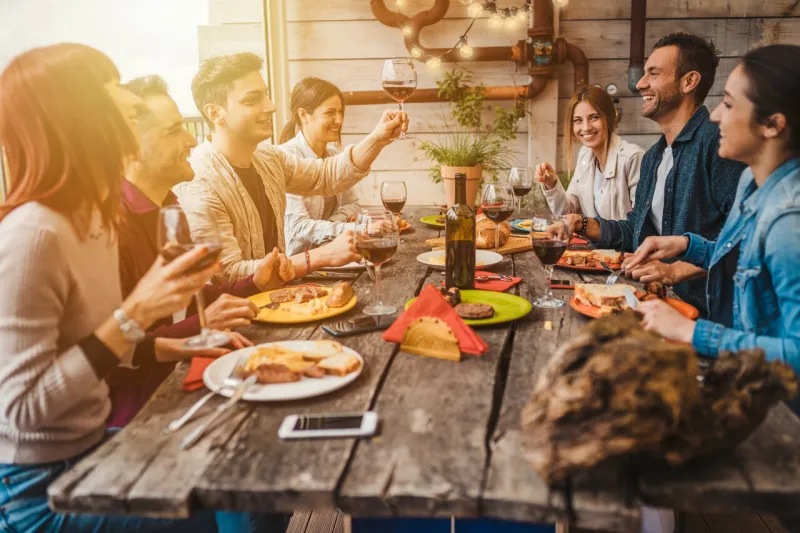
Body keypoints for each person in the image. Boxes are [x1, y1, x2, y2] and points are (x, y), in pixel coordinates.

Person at [0, 43, 225, 533]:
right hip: (34, 486)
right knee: (190, 517)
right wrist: (136, 314)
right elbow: (20, 410)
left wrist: (172, 342)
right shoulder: (35, 234)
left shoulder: (98, 219)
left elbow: (97, 347)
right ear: (79, 118)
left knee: (214, 471)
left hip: (91, 443)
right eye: (110, 86)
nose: (127, 95)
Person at [109, 75, 294, 428]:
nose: (191, 139)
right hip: (137, 419)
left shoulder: (169, 207)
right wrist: (202, 326)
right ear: (131, 146)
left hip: (186, 386)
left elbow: (188, 301)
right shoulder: (111, 226)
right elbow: (116, 352)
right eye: (175, 129)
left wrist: (253, 283)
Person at [622, 44, 800, 373]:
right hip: (731, 366)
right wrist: (690, 245)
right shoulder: (751, 181)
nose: (715, 115)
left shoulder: (790, 221)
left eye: (729, 104)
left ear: (772, 125)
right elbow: (749, 255)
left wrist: (691, 331)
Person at [174, 52, 408, 281]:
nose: (271, 106)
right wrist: (320, 256)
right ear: (215, 113)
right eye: (252, 100)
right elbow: (227, 274)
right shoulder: (199, 181)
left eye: (266, 95)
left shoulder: (267, 158)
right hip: (241, 316)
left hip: (279, 300)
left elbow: (326, 176)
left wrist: (378, 138)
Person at [563, 33, 745, 314]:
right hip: (661, 303)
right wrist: (581, 224)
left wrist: (675, 271)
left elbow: (745, 238)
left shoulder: (717, 145)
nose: (640, 83)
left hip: (709, 315)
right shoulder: (654, 157)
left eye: (653, 73)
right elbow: (633, 231)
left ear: (689, 81)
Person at [536, 84, 644, 220]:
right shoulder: (585, 155)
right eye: (578, 120)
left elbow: (640, 224)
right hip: (593, 241)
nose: (586, 128)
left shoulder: (633, 158)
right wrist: (551, 183)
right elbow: (569, 211)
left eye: (594, 117)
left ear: (609, 117)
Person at [279, 77, 361, 256]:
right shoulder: (285, 158)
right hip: (297, 265)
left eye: (340, 112)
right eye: (330, 113)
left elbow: (353, 204)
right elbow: (298, 228)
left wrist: (332, 223)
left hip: (332, 256)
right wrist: (353, 228)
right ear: (303, 115)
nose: (339, 120)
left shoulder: (333, 155)